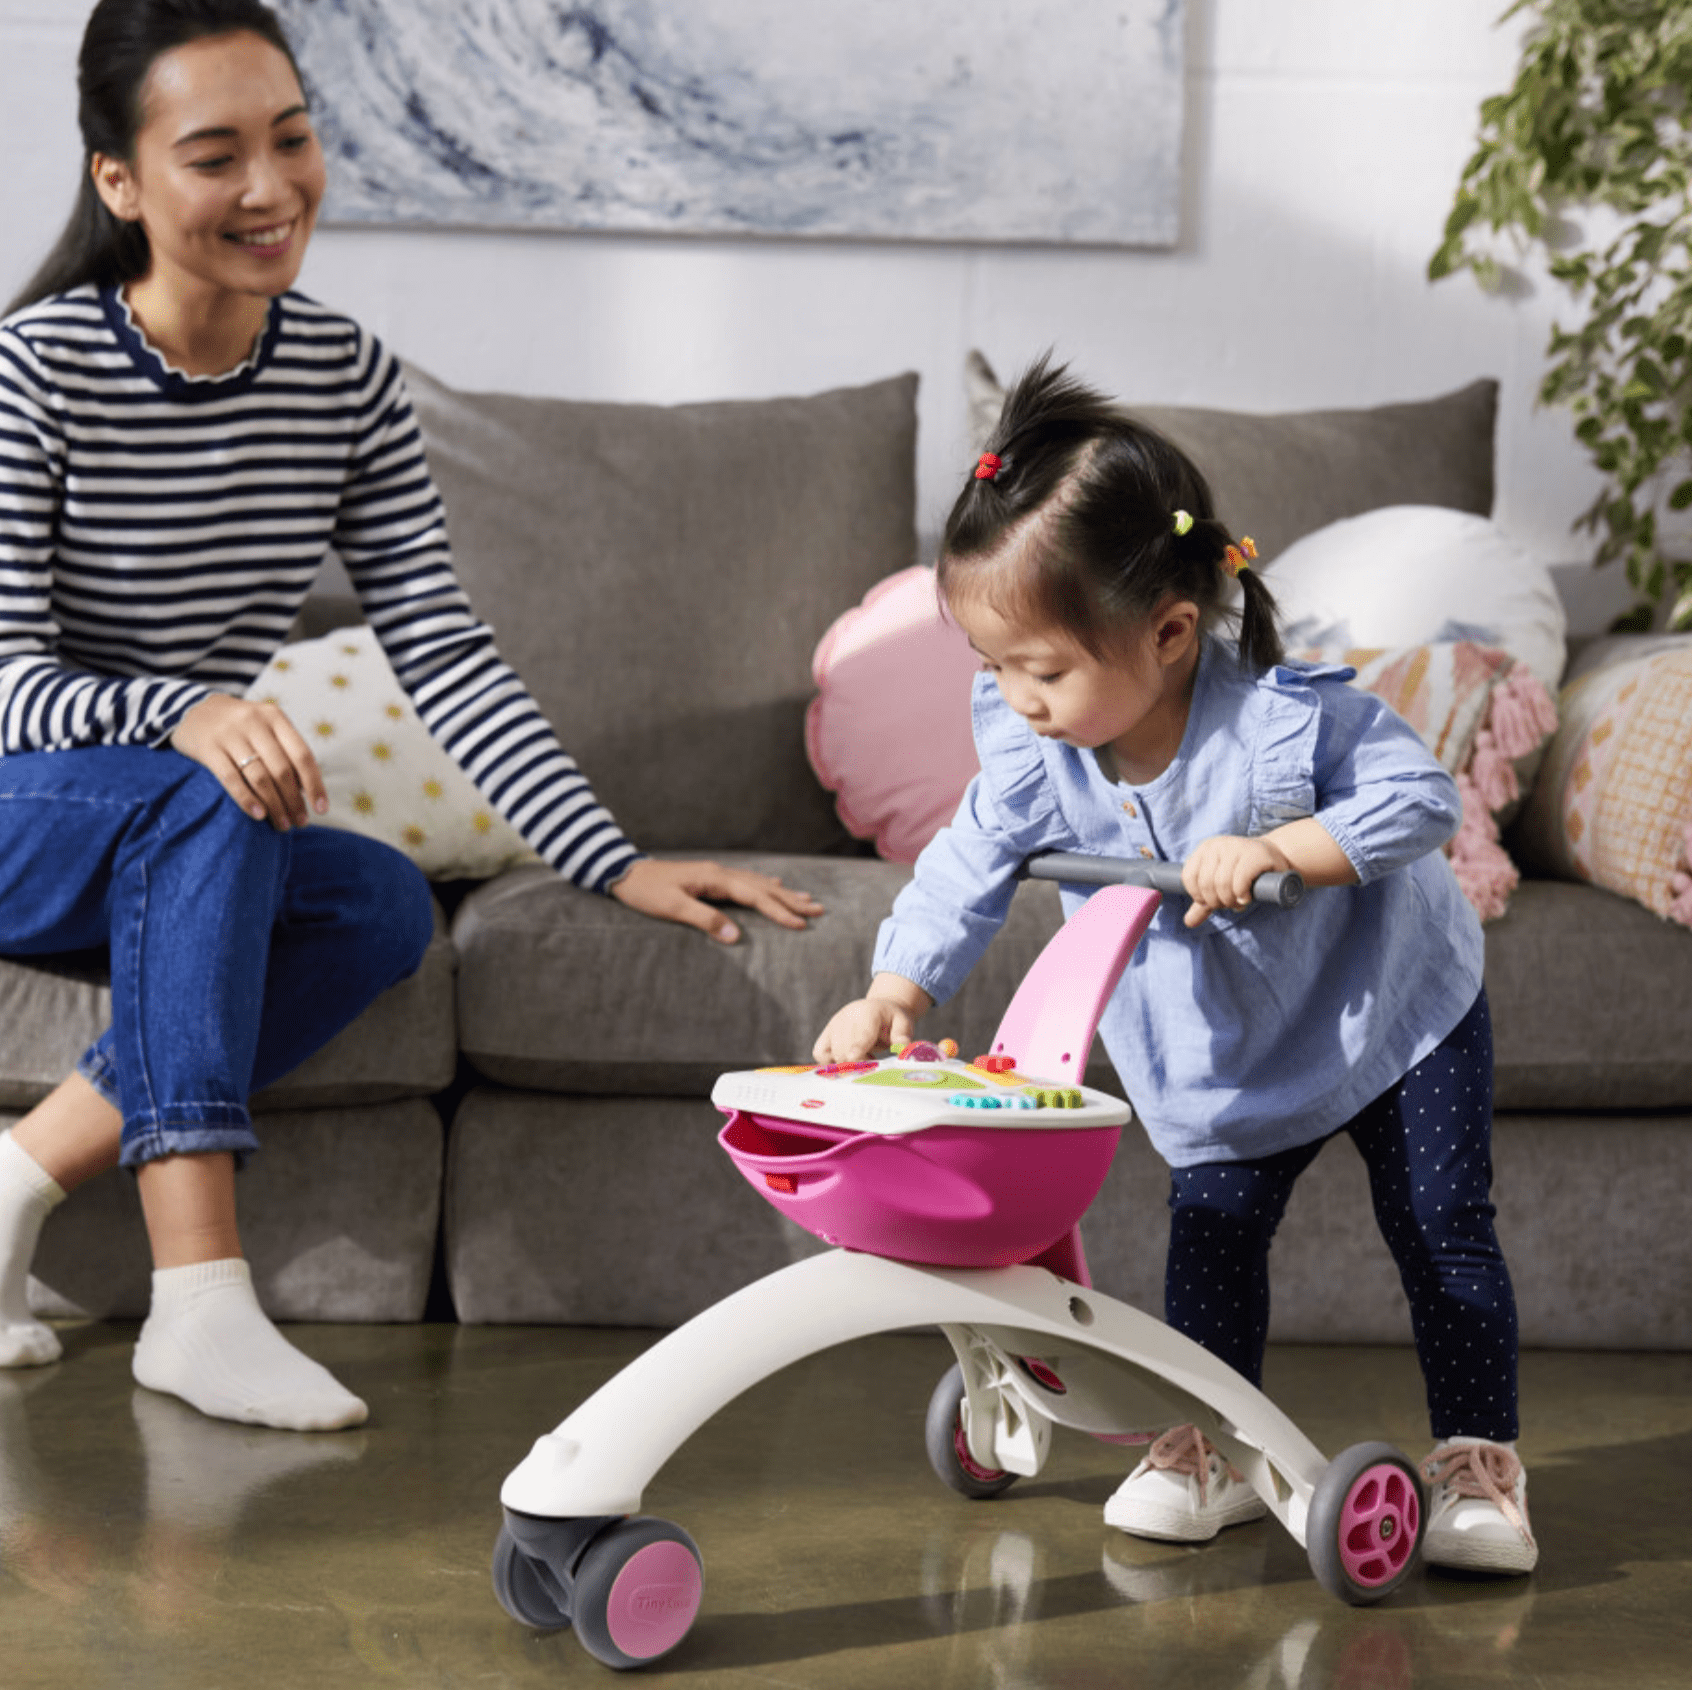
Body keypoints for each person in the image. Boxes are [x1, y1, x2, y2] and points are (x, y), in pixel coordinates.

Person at [0, 0, 819, 1432]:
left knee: (375, 902)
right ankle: (199, 1303)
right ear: (118, 181)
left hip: (176, 827)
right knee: (213, 787)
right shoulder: (36, 370)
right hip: (28, 816)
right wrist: (184, 711)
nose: (271, 186)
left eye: (292, 138)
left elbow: (441, 647)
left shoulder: (343, 378)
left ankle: (15, 1178)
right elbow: (6, 674)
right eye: (215, 155)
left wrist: (611, 857)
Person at [814, 357, 1536, 1575]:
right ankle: (1216, 1442)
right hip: (1223, 1049)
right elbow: (966, 862)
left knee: (1440, 1225)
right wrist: (897, 987)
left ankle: (1477, 1460)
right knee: (1211, 1236)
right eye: (995, 668)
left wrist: (1284, 849)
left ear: (1168, 631)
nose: (1018, 698)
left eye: (1044, 670)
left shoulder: (1282, 720)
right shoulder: (1038, 756)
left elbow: (1421, 797)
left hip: (1393, 1011)